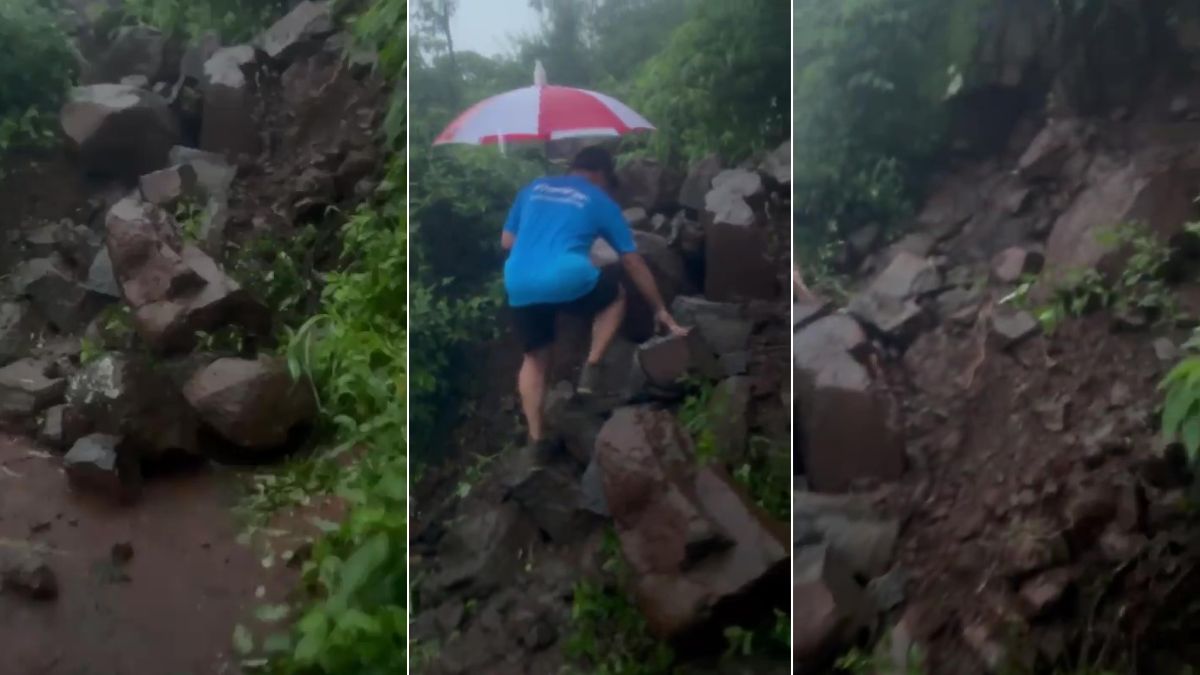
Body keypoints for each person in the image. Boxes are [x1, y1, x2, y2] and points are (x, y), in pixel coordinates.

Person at [501, 145, 688, 454]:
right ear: (601, 175)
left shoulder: (532, 188)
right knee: (615, 296)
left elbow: (507, 240)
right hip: (568, 277)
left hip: (520, 281)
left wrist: (544, 240)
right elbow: (632, 262)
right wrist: (660, 310)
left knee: (534, 358)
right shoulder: (600, 200)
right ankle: (593, 365)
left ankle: (535, 441)